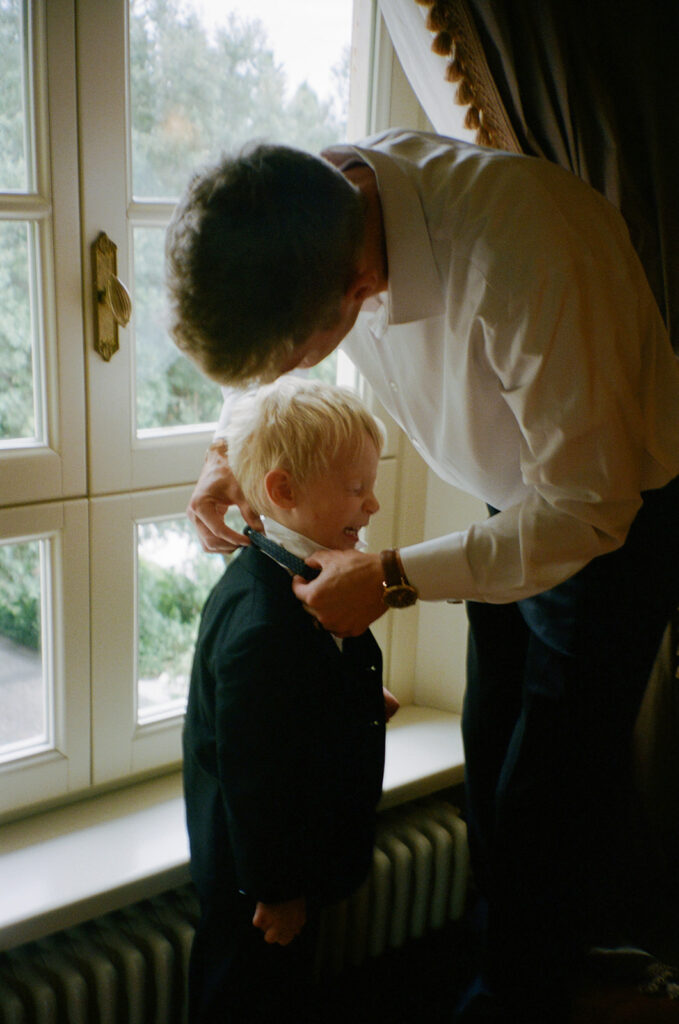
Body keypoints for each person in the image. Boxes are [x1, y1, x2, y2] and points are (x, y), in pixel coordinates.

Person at [167, 129, 679, 1022]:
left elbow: (588, 509)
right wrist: (226, 449)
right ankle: (507, 965)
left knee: (546, 800)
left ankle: (512, 999)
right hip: (505, 499)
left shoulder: (530, 250)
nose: (293, 374)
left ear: (359, 292)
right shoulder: (314, 209)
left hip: (614, 522)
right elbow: (270, 359)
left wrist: (394, 578)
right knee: (491, 760)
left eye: (298, 361)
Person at [182, 376, 391, 1023]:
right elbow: (257, 777)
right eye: (357, 489)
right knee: (247, 998)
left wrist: (349, 698)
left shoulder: (284, 567)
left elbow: (294, 700)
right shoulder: (261, 628)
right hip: (261, 884)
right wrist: (277, 890)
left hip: (293, 862)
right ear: (282, 491)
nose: (374, 504)